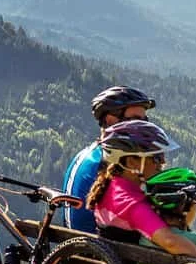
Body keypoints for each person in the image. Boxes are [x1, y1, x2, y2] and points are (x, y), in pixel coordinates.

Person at [84, 120, 196, 258]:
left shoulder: (113, 187)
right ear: (131, 162)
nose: (163, 163)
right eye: (156, 158)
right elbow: (169, 241)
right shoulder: (130, 202)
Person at [62, 86, 156, 232]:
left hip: (78, 246)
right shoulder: (109, 164)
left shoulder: (87, 154)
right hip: (99, 251)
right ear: (111, 121)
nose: (142, 126)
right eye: (136, 120)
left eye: (145, 121)